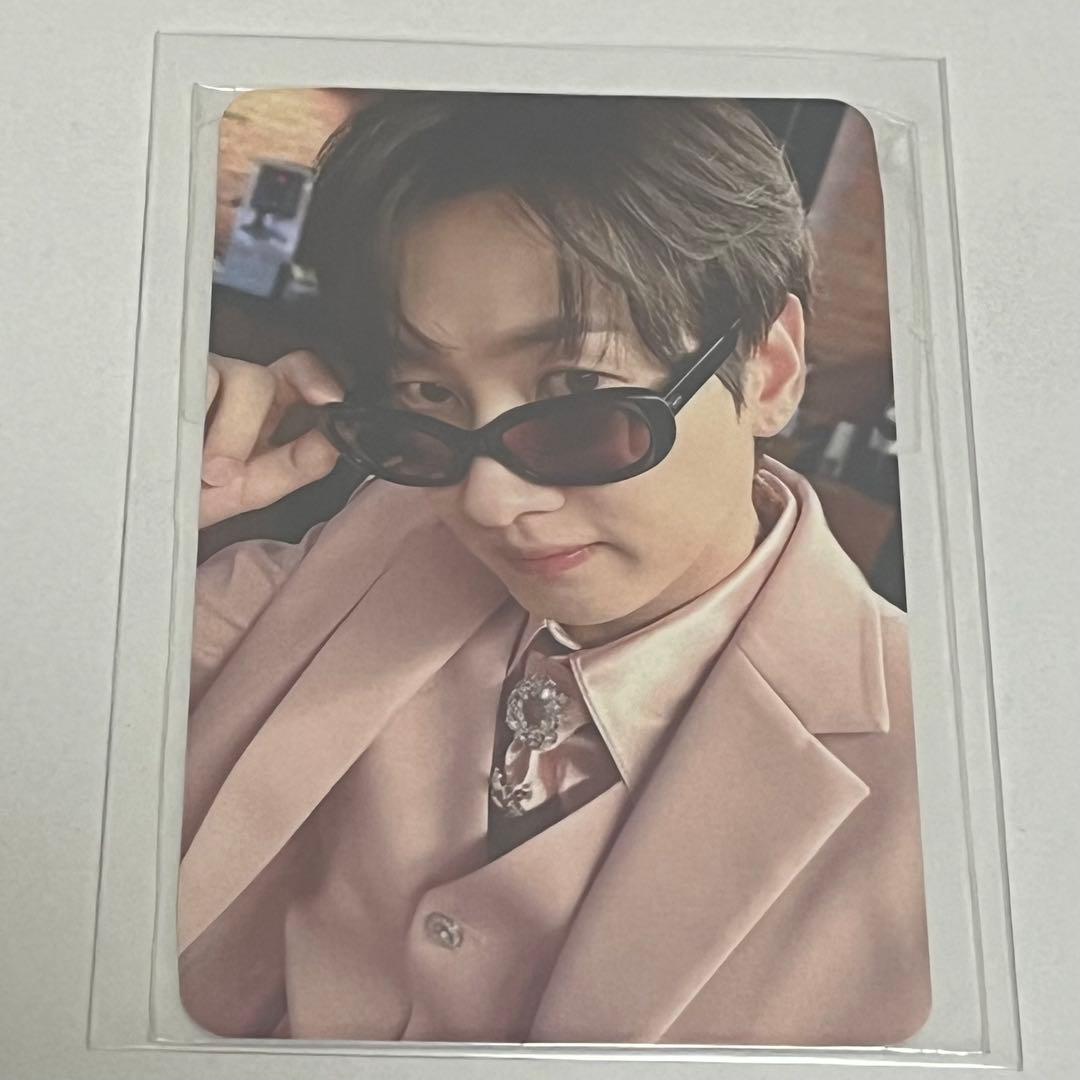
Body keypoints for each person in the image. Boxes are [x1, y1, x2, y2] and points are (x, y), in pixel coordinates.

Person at [180, 91, 931, 1045]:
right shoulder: (380, 540)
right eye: (429, 397)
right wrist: (142, 499)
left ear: (768, 369)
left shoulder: (960, 794)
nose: (488, 500)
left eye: (579, 395)